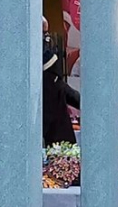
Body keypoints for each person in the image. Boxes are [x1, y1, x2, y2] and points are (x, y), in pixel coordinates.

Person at [42, 16, 80, 146]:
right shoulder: (50, 72)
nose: (47, 38)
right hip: (54, 134)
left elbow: (65, 90)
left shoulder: (53, 79)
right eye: (44, 33)